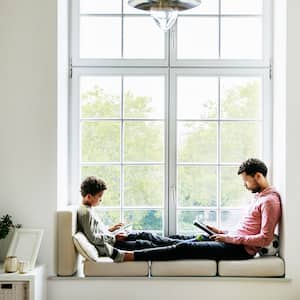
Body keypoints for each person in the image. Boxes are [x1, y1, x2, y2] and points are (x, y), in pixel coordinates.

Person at [118, 158, 282, 262]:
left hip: (239, 250)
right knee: (177, 238)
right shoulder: (259, 197)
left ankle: (131, 256)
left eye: (246, 181)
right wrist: (222, 231)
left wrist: (230, 239)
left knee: (184, 247)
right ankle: (126, 240)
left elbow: (264, 239)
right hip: (231, 241)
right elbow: (246, 229)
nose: (245, 185)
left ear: (258, 176)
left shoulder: (270, 201)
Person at [77, 176, 195, 262]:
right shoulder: (85, 212)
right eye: (99, 197)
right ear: (89, 196)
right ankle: (187, 247)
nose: (101, 200)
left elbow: (96, 232)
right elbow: (93, 238)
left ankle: (188, 243)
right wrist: (113, 236)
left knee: (146, 235)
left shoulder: (89, 209)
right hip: (114, 245)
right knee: (146, 243)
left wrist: (111, 229)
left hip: (113, 239)